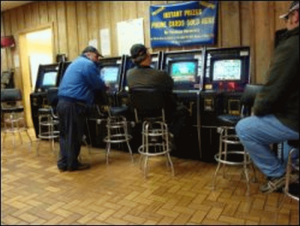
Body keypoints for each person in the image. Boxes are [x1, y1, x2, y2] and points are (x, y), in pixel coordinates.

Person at [235, 1, 299, 193]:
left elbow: (275, 86)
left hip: (295, 119)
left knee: (244, 128)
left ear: (296, 16)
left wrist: (259, 110)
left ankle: (279, 174)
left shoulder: (293, 45)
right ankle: (293, 170)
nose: (287, 22)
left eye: (287, 18)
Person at [126, 43, 189, 148]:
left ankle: (154, 136)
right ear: (147, 56)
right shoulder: (160, 74)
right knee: (183, 111)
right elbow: (171, 86)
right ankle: (171, 133)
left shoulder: (129, 73)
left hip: (140, 113)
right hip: (162, 112)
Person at [57, 46, 107, 172]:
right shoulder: (88, 64)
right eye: (96, 57)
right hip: (74, 104)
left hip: (62, 103)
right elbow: (97, 84)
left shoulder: (76, 62)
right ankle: (72, 164)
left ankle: (63, 163)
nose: (97, 60)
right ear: (89, 54)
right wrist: (106, 86)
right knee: (74, 135)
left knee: (65, 135)